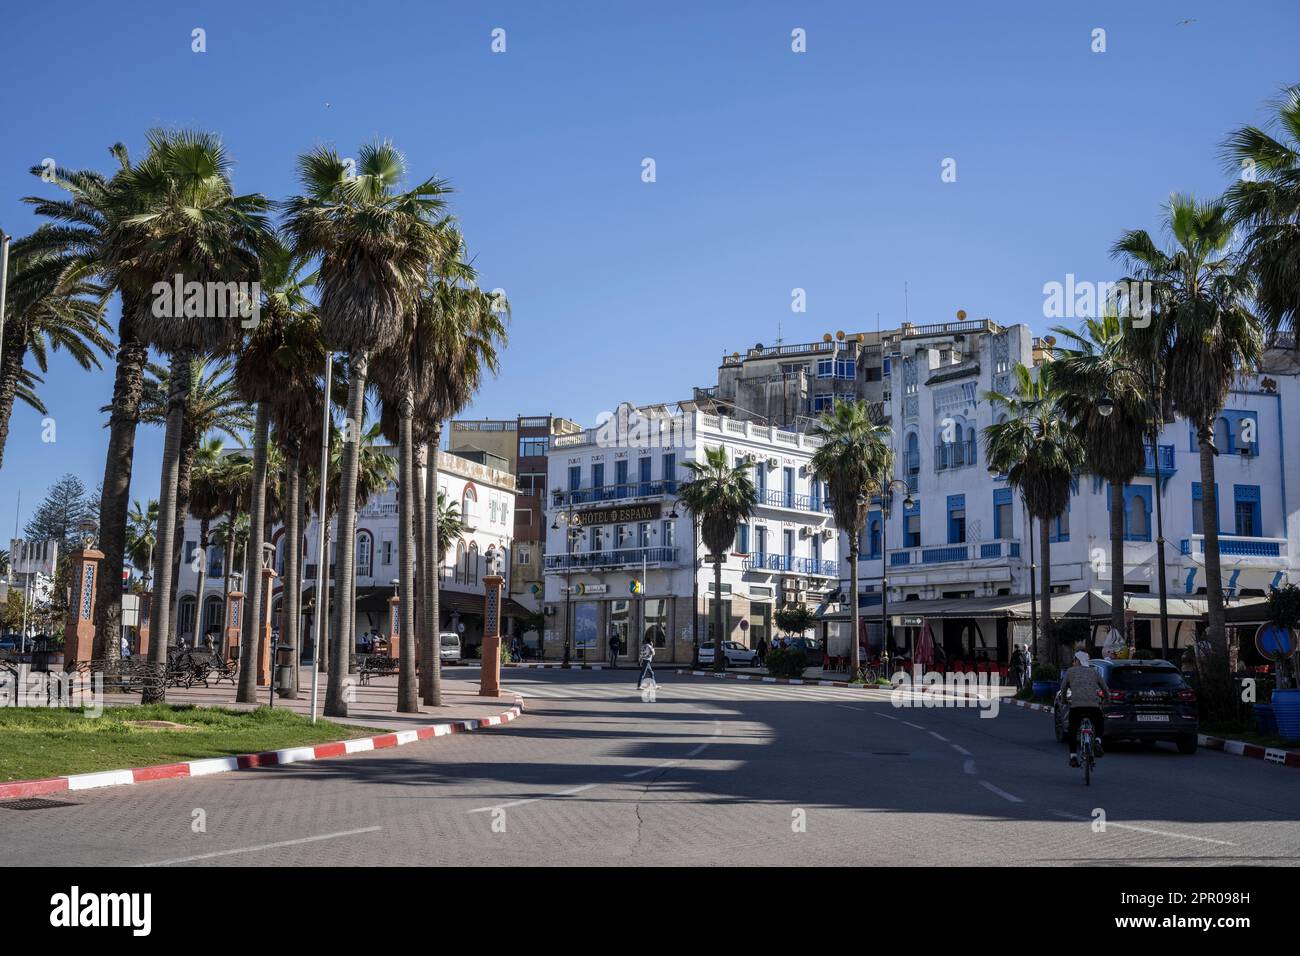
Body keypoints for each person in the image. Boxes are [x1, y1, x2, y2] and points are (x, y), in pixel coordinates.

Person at [1059, 650, 1110, 767]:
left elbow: (1063, 688)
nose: (1073, 662)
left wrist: (1064, 700)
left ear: (1077, 661)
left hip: (1076, 707)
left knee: (1072, 730)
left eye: (1074, 660)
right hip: (1093, 707)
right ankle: (1097, 741)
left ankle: (1073, 756)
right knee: (1099, 723)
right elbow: (1105, 688)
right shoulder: (1094, 672)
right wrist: (1107, 701)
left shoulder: (1070, 671)